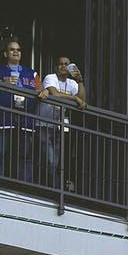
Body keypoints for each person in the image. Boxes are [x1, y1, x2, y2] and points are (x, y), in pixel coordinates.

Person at [0, 39, 40, 183]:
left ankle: (25, 185)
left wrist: (45, 92)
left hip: (25, 117)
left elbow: (40, 91)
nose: (16, 52)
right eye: (12, 49)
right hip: (3, 116)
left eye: (18, 49)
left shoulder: (32, 73)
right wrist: (3, 83)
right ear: (6, 53)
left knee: (25, 154)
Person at [36, 55, 86, 189]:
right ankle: (53, 188)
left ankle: (52, 187)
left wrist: (80, 80)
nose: (63, 66)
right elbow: (55, 94)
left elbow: (82, 100)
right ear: (55, 67)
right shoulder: (50, 77)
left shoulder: (72, 83)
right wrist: (74, 98)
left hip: (58, 127)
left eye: (66, 64)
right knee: (51, 160)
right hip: (43, 124)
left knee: (56, 161)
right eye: (60, 64)